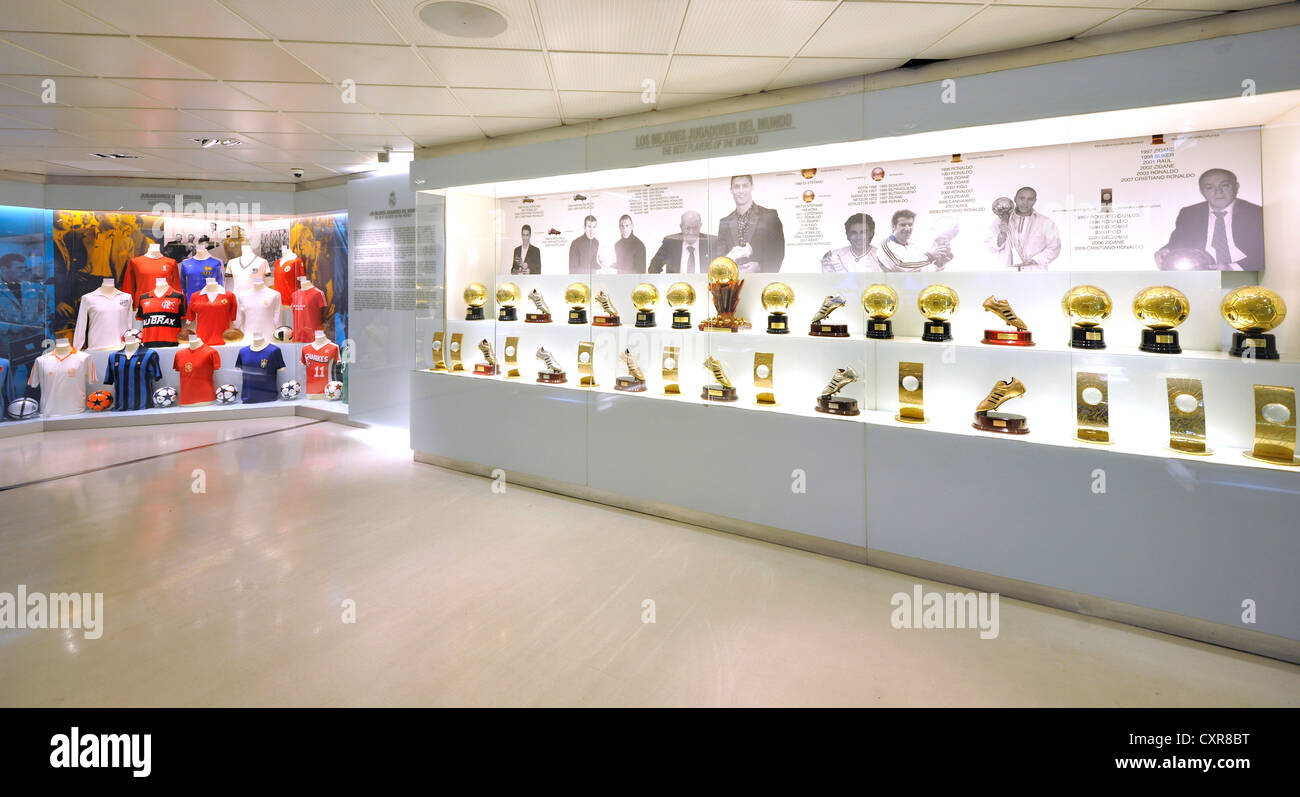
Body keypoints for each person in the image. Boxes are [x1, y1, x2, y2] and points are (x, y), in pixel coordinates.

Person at [1155, 168, 1263, 270]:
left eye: (1224, 185)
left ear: (1236, 187)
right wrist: (1168, 250)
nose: (1218, 191)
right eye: (1210, 187)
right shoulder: (1189, 213)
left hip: (1244, 272)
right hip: (1201, 272)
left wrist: (1232, 268)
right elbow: (1178, 241)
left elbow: (1267, 252)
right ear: (1202, 191)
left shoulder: (1257, 213)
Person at [716, 174, 784, 272]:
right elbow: (720, 258)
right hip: (733, 283)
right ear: (731, 190)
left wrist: (760, 267)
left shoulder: (770, 216)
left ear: (752, 187)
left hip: (761, 282)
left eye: (745, 186)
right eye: (736, 187)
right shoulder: (724, 222)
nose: (741, 191)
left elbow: (778, 253)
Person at [985, 186, 1060, 270]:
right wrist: (1002, 235)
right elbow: (989, 247)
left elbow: (1054, 247)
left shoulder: (1046, 222)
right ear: (1015, 199)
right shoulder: (999, 221)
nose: (1025, 203)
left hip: (1035, 272)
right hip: (1008, 273)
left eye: (1030, 199)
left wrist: (1034, 260)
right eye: (1021, 198)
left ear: (1035, 201)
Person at [648, 210, 716, 274]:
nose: (691, 232)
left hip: (704, 285)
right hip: (677, 285)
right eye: (687, 228)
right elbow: (653, 267)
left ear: (700, 226)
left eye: (695, 228)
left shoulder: (712, 243)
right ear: (681, 227)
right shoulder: (670, 243)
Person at [880, 210, 949, 271]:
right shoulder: (886, 245)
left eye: (910, 225)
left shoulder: (913, 247)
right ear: (893, 226)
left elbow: (920, 271)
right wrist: (930, 256)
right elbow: (902, 266)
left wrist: (938, 264)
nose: (907, 228)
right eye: (903, 225)